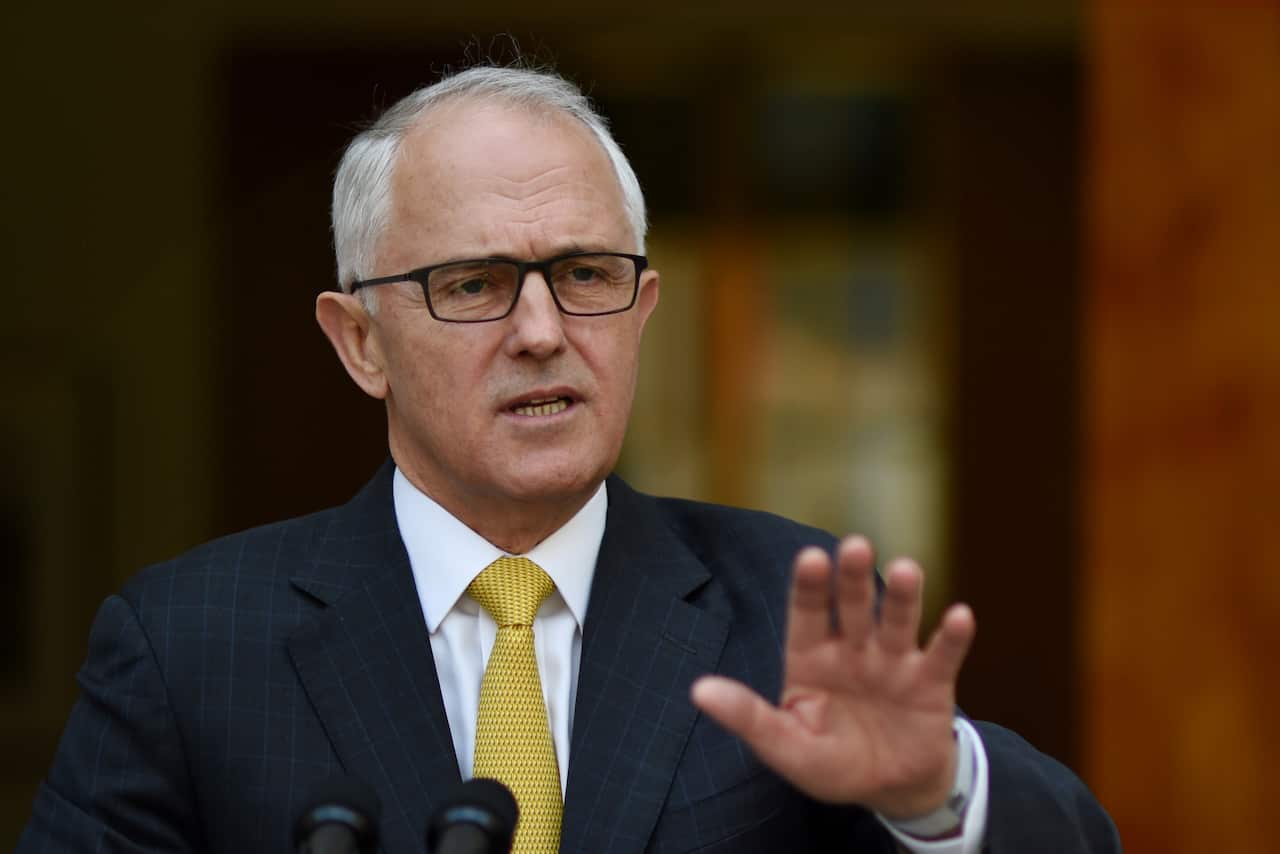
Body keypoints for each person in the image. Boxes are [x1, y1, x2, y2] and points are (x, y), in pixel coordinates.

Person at [19, 65, 1120, 853]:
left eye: (585, 273)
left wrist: (933, 795)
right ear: (360, 343)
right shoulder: (189, 644)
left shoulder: (793, 610)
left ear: (640, 310)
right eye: (472, 283)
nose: (542, 329)